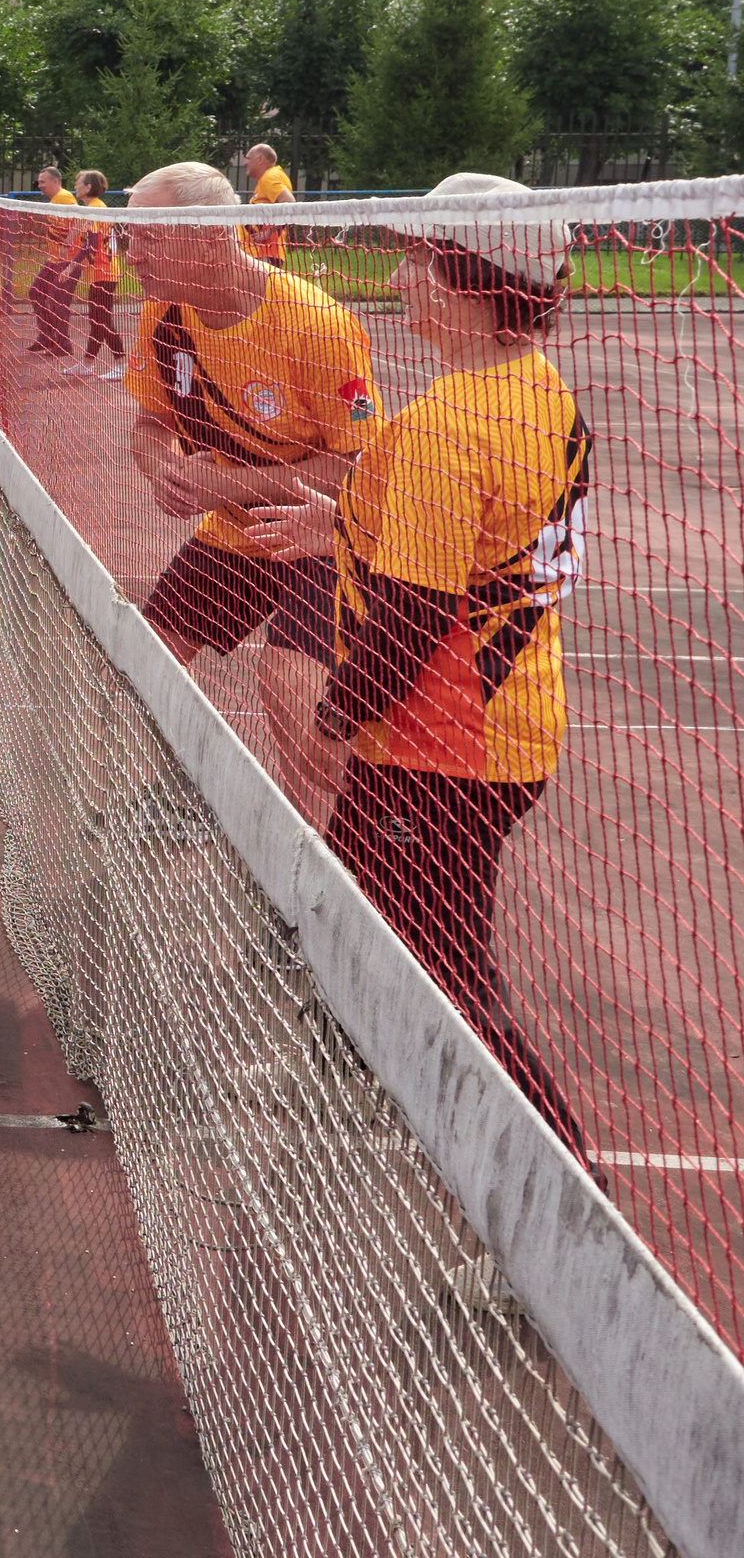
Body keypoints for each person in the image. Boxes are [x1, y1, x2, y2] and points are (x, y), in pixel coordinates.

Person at [241, 173, 588, 1150]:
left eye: (416, 259)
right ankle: (346, 1061)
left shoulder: (448, 424)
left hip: (443, 747)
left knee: (448, 973)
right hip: (503, 727)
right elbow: (472, 541)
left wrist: (330, 717)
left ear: (463, 280)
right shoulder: (533, 388)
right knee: (357, 908)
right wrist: (337, 523)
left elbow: (412, 614)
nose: (396, 278)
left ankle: (573, 1203)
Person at [121, 160, 377, 823]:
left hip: (322, 534)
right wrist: (162, 469)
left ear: (209, 237)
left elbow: (358, 467)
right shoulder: (160, 318)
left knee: (292, 694)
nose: (131, 251)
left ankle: (323, 863)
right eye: (129, 235)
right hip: (236, 529)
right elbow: (149, 425)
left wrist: (229, 482)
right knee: (147, 661)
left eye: (149, 236)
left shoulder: (319, 326)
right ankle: (194, 786)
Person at [69, 169, 126, 379]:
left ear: (88, 187)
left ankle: (121, 364)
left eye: (78, 182)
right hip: (99, 273)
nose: (75, 186)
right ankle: (87, 364)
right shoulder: (92, 209)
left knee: (101, 319)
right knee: (97, 319)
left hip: (106, 273)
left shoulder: (97, 209)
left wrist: (70, 267)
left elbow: (90, 245)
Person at [25, 165, 81, 357]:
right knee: (36, 292)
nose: (40, 185)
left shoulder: (64, 198)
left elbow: (81, 219)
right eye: (39, 182)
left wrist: (68, 243)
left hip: (67, 261)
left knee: (59, 302)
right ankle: (47, 336)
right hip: (55, 260)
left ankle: (63, 344)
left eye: (43, 182)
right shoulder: (54, 201)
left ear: (55, 181)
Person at [242, 142, 294, 264]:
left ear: (260, 159)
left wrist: (268, 232)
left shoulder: (269, 177)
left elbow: (290, 203)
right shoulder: (270, 177)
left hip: (265, 254)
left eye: (248, 158)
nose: (245, 163)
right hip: (264, 253)